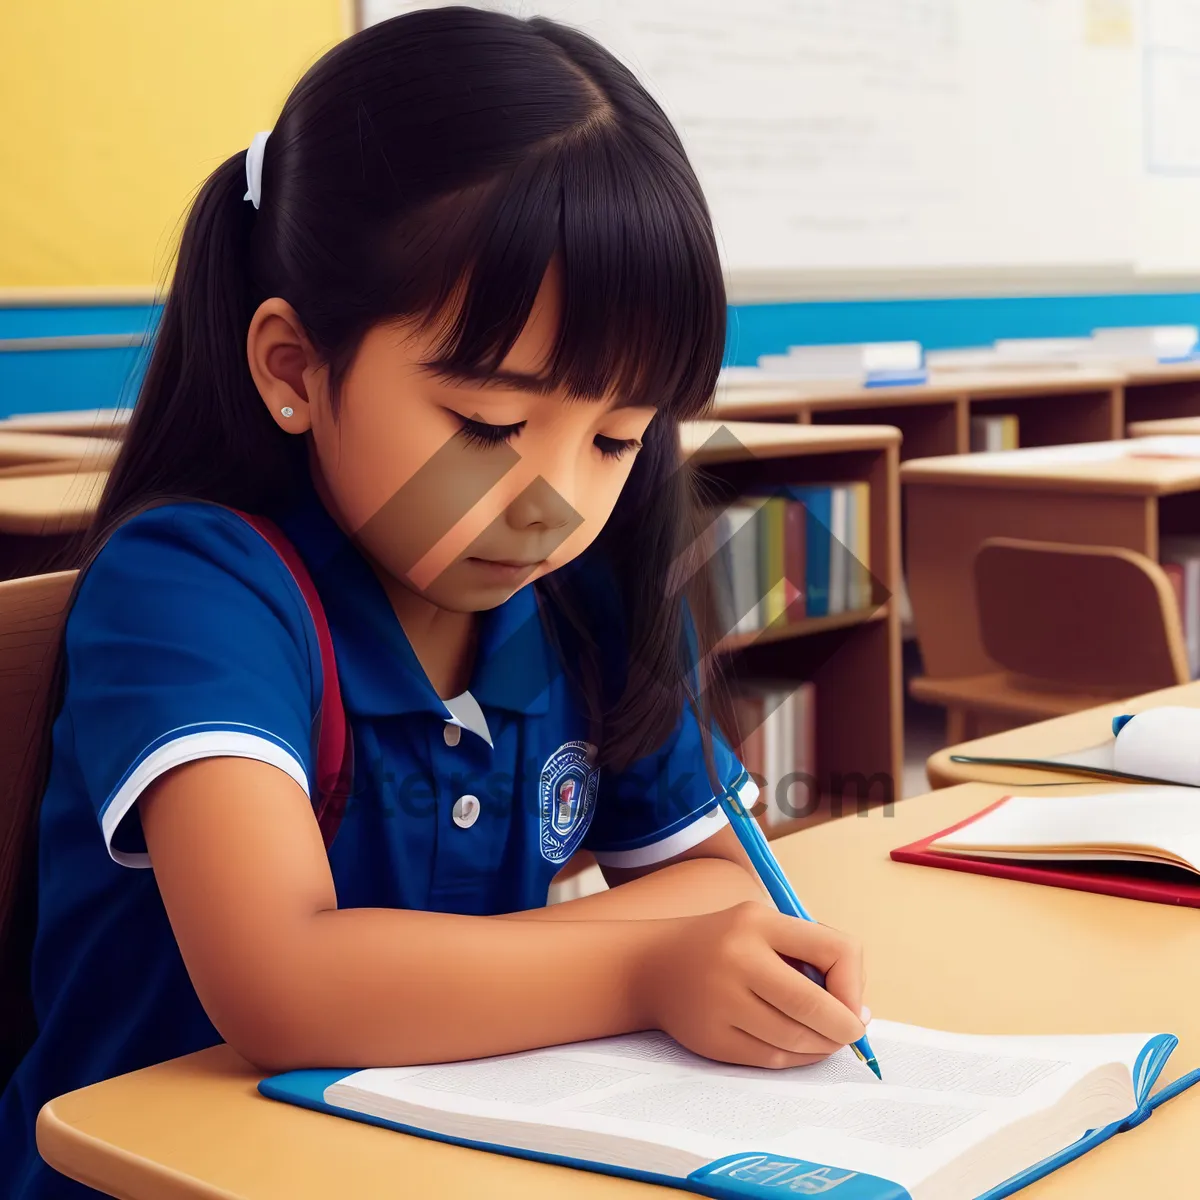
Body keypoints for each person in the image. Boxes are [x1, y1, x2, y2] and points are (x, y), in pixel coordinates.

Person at [0, 9, 866, 1196]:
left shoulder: (586, 596)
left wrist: (441, 972)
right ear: (294, 370)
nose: (554, 502)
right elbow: (284, 985)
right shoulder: (197, 586)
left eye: (616, 437)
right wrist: (643, 966)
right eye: (491, 428)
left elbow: (723, 880)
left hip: (431, 1154)